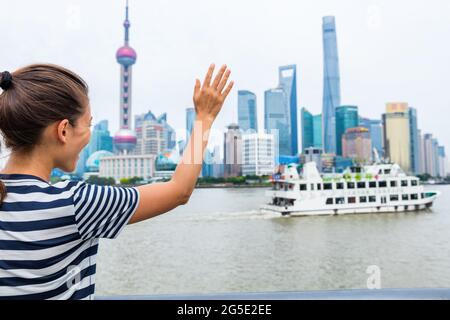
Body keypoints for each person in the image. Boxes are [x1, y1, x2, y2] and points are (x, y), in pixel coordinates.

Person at [0, 63, 233, 300]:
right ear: (63, 131)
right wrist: (204, 118)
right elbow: (180, 190)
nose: (90, 134)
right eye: (88, 124)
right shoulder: (74, 203)